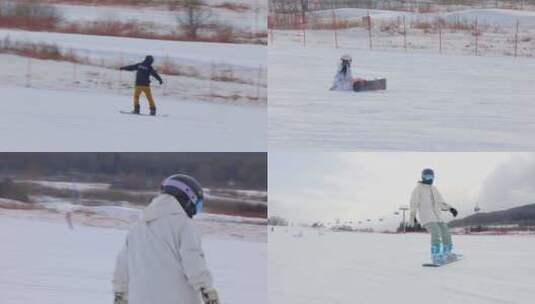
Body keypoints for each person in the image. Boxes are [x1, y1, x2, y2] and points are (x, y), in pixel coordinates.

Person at [112, 174, 220, 304]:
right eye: (197, 205)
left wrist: (120, 295)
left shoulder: (138, 227)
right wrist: (207, 290)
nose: (195, 211)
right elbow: (193, 261)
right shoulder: (184, 225)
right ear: (187, 197)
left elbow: (122, 267)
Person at [409, 168, 459, 265]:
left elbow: (441, 202)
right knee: (436, 232)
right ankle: (435, 256)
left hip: (436, 216)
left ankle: (447, 253)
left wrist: (450, 208)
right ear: (422, 177)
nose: (429, 178)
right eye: (427, 176)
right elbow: (413, 203)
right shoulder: (418, 189)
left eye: (431, 176)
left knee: (445, 231)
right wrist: (413, 215)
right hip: (426, 216)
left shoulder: (434, 189)